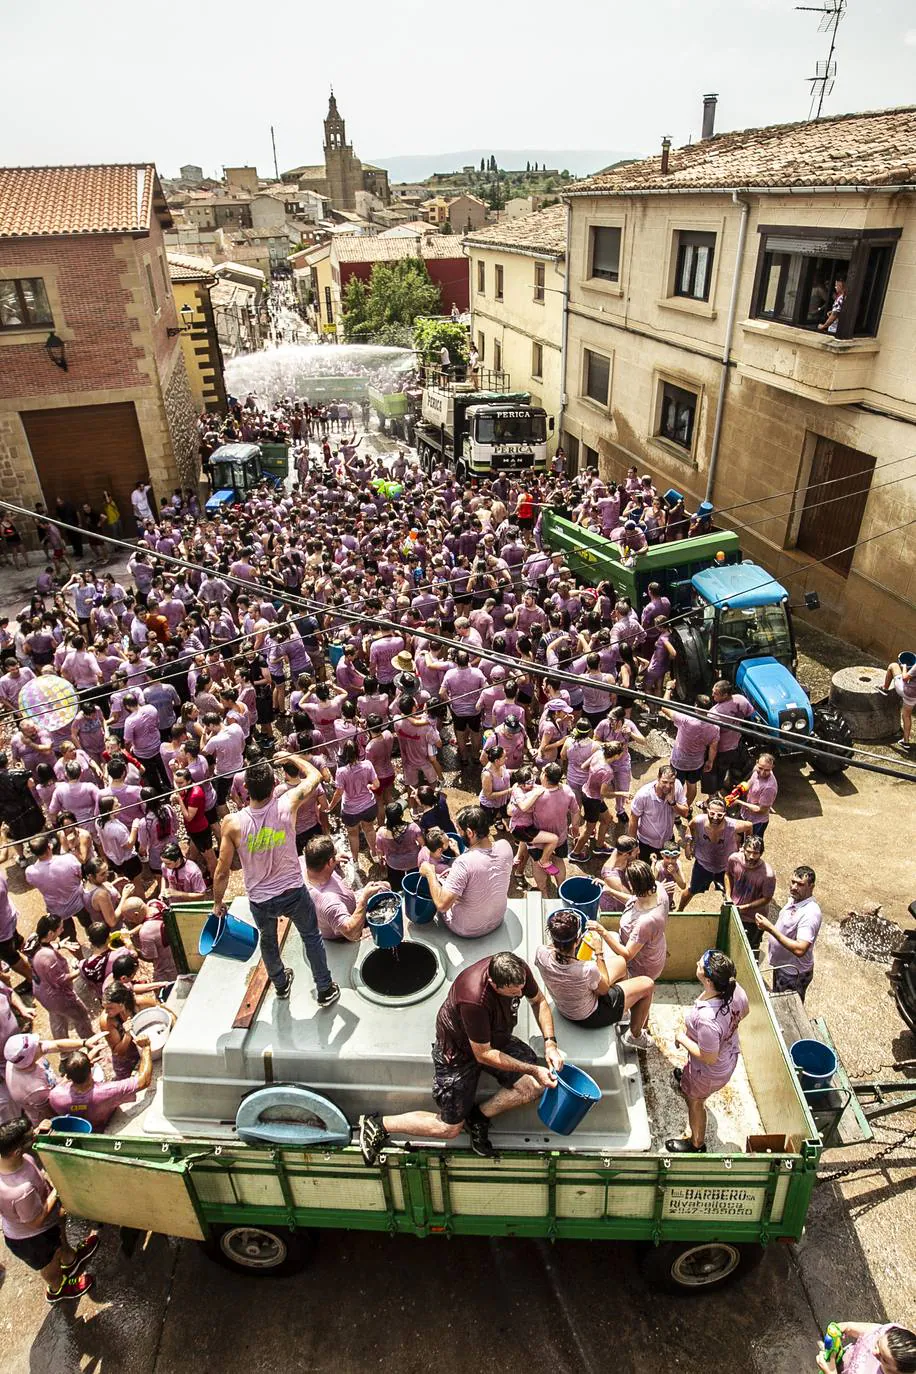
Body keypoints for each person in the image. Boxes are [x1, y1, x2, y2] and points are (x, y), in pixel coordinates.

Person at [358, 951, 564, 1165]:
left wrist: (550, 1044)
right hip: (458, 1052)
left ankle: (478, 1116)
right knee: (449, 1129)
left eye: (521, 989)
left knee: (532, 1087)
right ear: (494, 984)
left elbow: (538, 1001)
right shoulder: (473, 997)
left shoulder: (516, 970)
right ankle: (379, 1125)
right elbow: (483, 1054)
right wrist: (531, 1069)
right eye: (513, 992)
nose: (520, 993)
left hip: (494, 1039)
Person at [212, 757, 339, 1006]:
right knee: (311, 937)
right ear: (275, 785)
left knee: (268, 941)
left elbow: (222, 871)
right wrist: (290, 757)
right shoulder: (288, 803)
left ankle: (280, 984)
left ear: (246, 788)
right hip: (293, 892)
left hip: (261, 900)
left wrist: (217, 903)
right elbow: (315, 776)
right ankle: (324, 988)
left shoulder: (233, 823)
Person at [0, 1115, 98, 1304]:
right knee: (49, 1265)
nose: (35, 1135)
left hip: (43, 1218)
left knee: (59, 1243)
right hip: (32, 1238)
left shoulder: (9, 1156)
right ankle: (58, 1288)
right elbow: (35, 1222)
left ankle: (70, 1260)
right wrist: (58, 1191)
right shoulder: (21, 1190)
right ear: (17, 1151)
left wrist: (39, 1129)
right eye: (31, 1136)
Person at [666, 948, 750, 1153]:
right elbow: (744, 1011)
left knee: (695, 1101)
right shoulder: (735, 988)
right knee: (691, 1079)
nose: (696, 962)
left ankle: (696, 1143)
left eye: (700, 965)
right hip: (728, 1055)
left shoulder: (708, 1020)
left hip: (710, 1070)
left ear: (709, 981)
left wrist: (682, 1038)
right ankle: (687, 1077)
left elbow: (708, 1057)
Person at [535, 908, 655, 1029]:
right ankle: (635, 1036)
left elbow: (557, 954)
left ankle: (622, 1011)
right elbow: (604, 990)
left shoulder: (540, 953)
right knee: (648, 984)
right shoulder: (587, 970)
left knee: (621, 962)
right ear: (577, 941)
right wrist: (598, 951)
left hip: (564, 1006)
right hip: (589, 1016)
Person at [602, 859, 670, 1049]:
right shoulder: (658, 889)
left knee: (641, 994)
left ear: (632, 884)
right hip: (653, 951)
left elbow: (627, 954)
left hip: (642, 963)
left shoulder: (646, 922)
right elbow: (634, 901)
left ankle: (637, 1032)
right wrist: (610, 891)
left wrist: (604, 933)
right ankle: (640, 1023)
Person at [418, 804, 512, 938]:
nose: (458, 834)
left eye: (459, 830)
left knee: (437, 890)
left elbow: (442, 905)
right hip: (497, 919)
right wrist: (458, 853)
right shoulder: (505, 845)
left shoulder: (463, 863)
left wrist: (430, 873)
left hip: (467, 929)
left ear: (469, 833)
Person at [48, 1037, 153, 1131]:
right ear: (91, 1067)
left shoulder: (55, 1095)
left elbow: (65, 1083)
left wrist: (79, 1066)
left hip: (85, 1132)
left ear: (68, 1075)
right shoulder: (107, 1091)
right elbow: (143, 1081)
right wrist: (146, 1048)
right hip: (106, 1125)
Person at [756, 865, 822, 1002]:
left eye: (800, 884)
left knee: (787, 1009)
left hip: (793, 974)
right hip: (783, 966)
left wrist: (770, 928)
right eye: (793, 882)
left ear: (811, 886)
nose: (794, 887)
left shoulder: (810, 914)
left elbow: (800, 949)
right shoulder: (795, 899)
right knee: (777, 999)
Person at [677, 795, 752, 910]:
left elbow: (749, 826)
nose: (715, 818)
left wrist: (745, 847)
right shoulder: (699, 820)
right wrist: (689, 844)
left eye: (719, 815)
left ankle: (730, 918)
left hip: (725, 868)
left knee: (731, 896)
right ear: (707, 811)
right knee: (692, 889)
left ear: (725, 814)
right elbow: (690, 827)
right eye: (712, 814)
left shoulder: (732, 825)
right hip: (703, 865)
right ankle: (679, 911)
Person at [628, 765, 689, 863]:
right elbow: (633, 819)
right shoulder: (644, 795)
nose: (668, 786)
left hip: (667, 842)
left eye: (671, 783)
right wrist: (632, 847)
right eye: (664, 782)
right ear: (658, 778)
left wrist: (673, 803)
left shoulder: (677, 786)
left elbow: (685, 812)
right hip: (646, 844)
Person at [724, 836, 776, 951]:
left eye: (756, 853)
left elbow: (766, 898)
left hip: (752, 919)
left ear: (762, 853)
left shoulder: (768, 875)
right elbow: (728, 875)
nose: (752, 856)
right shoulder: (734, 859)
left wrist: (744, 907)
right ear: (743, 848)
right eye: (749, 852)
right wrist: (728, 895)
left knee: (748, 948)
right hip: (733, 909)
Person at [816, 1322, 916, 1374]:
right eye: (878, 1342)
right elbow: (873, 1330)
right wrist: (847, 1327)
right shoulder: (891, 1333)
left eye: (884, 1359)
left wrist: (830, 1372)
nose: (873, 1351)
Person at [737, 753, 778, 836]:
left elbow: (761, 810)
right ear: (756, 763)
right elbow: (750, 783)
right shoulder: (756, 771)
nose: (762, 772)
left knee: (752, 846)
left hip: (757, 822)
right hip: (745, 814)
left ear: (772, 767)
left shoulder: (769, 787)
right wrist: (739, 789)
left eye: (767, 770)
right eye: (760, 768)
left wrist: (739, 802)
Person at [881, 654, 916, 750]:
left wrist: (904, 667)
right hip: (914, 696)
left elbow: (905, 677)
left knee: (893, 666)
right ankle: (906, 741)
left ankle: (885, 688)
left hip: (905, 690)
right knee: (906, 716)